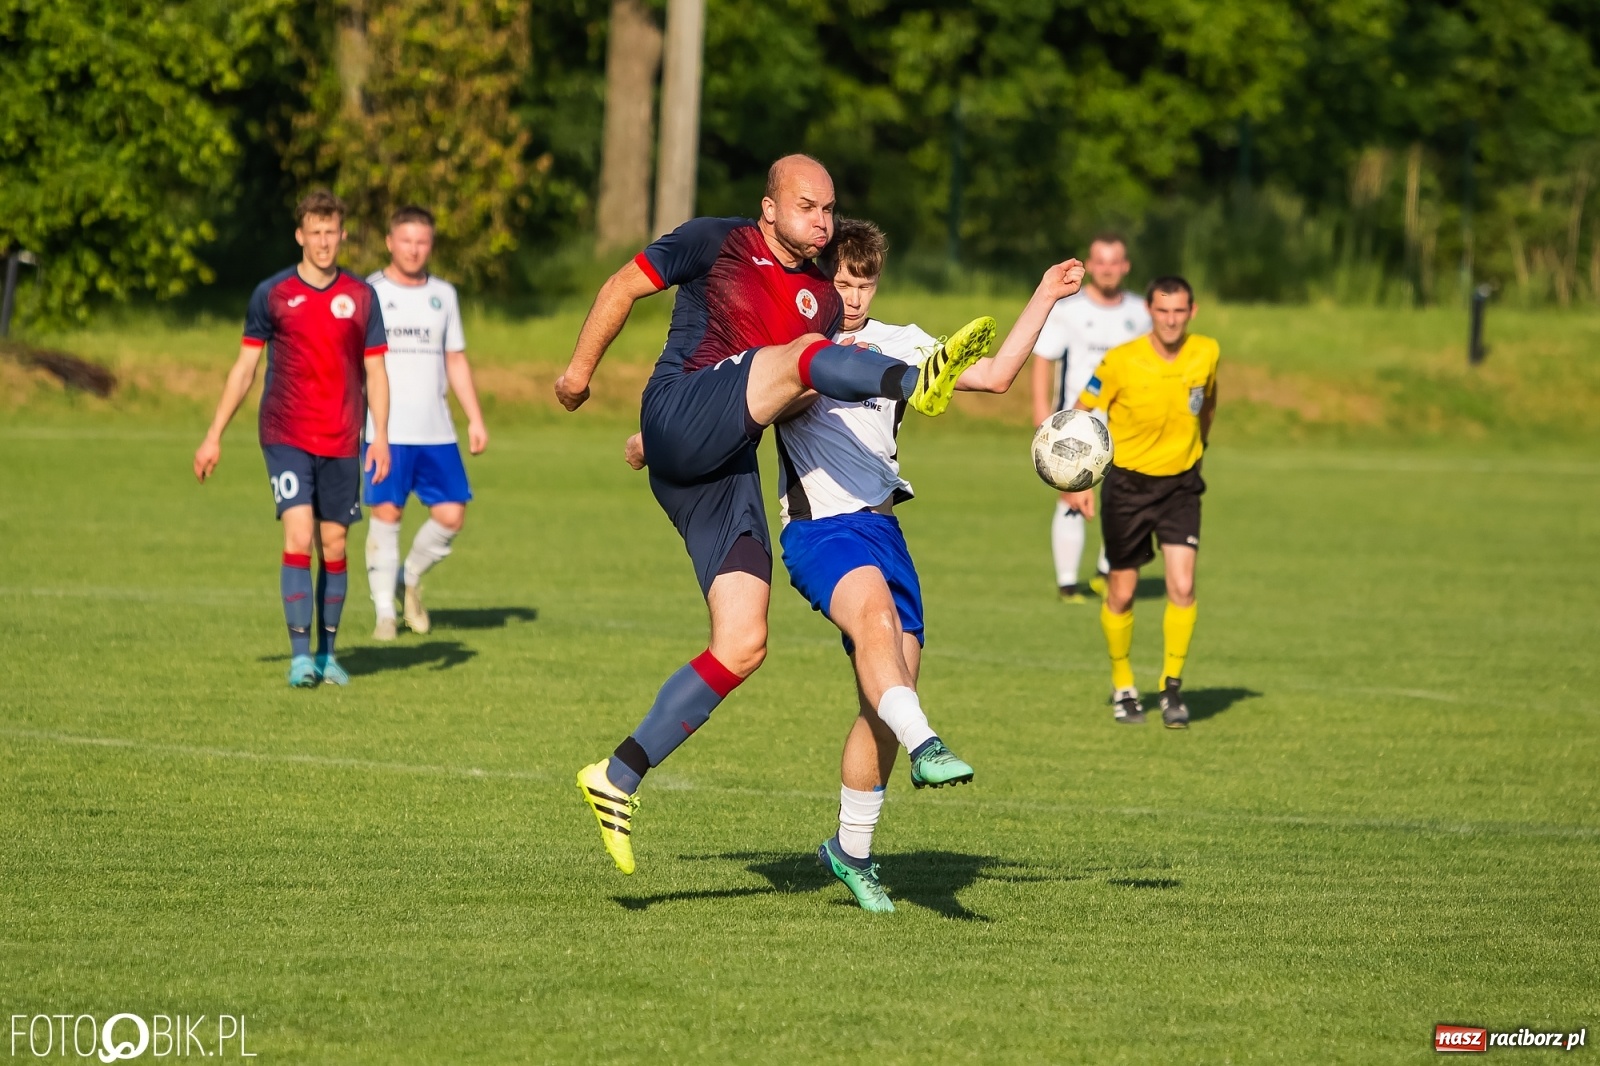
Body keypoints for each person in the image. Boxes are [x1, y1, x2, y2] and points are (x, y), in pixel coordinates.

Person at [555, 154, 996, 876]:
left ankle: (617, 774)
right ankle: (917, 381)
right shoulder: (716, 240)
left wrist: (652, 446)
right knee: (801, 355)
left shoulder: (822, 298)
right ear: (769, 208)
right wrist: (579, 373)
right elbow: (622, 286)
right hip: (680, 405)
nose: (822, 221)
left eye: (829, 209)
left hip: (722, 460)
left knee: (743, 642)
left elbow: (797, 394)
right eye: (807, 206)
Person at [774, 219, 1084, 911]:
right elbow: (739, 402)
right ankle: (928, 745)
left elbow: (996, 377)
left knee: (885, 699)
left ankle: (850, 852)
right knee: (877, 628)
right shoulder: (795, 346)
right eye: (841, 283)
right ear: (819, 281)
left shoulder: (900, 342)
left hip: (885, 531)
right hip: (821, 531)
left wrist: (1044, 295)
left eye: (864, 284)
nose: (853, 297)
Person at [193, 190, 391, 687]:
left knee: (334, 543)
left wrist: (381, 436)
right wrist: (214, 434)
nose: (323, 242)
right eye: (315, 232)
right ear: (300, 235)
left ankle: (328, 654)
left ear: (342, 235)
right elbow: (245, 368)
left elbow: (376, 371)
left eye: (331, 232)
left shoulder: (362, 297)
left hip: (342, 436)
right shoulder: (272, 294)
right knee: (299, 534)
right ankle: (300, 657)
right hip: (285, 433)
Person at [1060, 276, 1217, 729]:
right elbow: (1079, 412)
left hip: (1181, 485)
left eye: (1179, 311)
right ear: (1149, 311)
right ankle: (1124, 685)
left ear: (1192, 312)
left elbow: (1208, 403)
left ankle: (1171, 686)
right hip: (1128, 486)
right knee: (1122, 593)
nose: (1171, 320)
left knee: (1182, 586)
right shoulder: (1120, 360)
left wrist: (1201, 447)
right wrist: (1077, 480)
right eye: (1163, 311)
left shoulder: (1206, 352)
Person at [361, 205, 488, 640]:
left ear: (430, 245)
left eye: (422, 242)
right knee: (387, 513)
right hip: (385, 430)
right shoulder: (370, 292)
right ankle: (384, 613)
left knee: (452, 514)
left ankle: (408, 577)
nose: (414, 250)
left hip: (436, 429)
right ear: (390, 242)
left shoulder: (443, 295)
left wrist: (474, 417)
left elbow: (455, 359)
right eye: (406, 241)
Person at [1030, 234, 1150, 602]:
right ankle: (1067, 584)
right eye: (1101, 261)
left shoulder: (1141, 312)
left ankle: (1105, 573)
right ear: (1090, 265)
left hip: (1127, 424)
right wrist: (1042, 417)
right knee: (1071, 496)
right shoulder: (1068, 309)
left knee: (1125, 501)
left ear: (1125, 266)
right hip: (1077, 423)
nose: (1108, 269)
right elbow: (1044, 360)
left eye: (1115, 262)